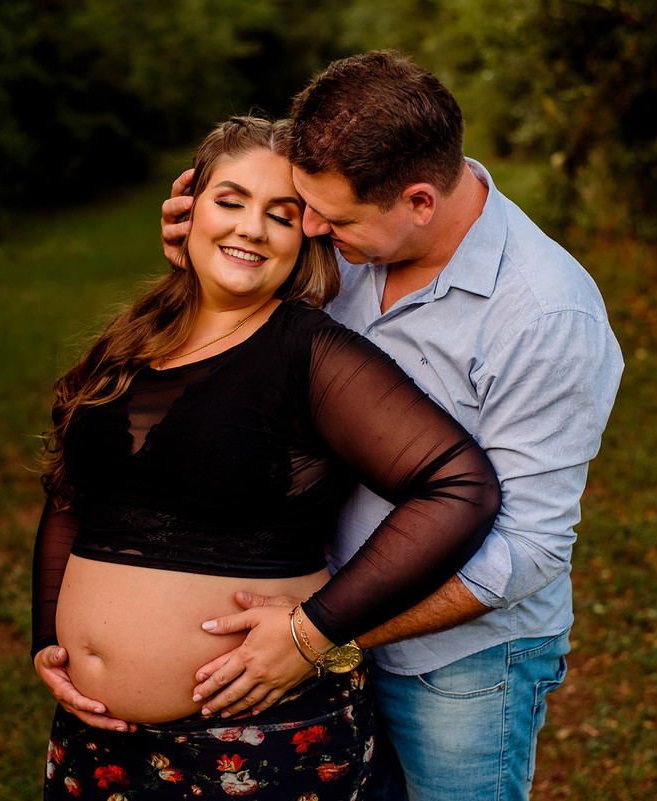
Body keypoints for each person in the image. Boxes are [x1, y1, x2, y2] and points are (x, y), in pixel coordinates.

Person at [160, 52, 624, 801]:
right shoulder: (345, 241)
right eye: (305, 208)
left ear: (418, 201)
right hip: (314, 619)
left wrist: (321, 632)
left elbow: (529, 548)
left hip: (459, 664)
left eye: (332, 218)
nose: (309, 227)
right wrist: (205, 260)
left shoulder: (544, 314)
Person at [31, 115, 501, 801]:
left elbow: (459, 486)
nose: (250, 229)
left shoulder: (309, 352)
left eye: (280, 216)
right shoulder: (128, 343)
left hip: (260, 741)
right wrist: (50, 634)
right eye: (230, 202)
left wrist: (316, 628)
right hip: (98, 744)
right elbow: (73, 496)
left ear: (307, 238)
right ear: (186, 210)